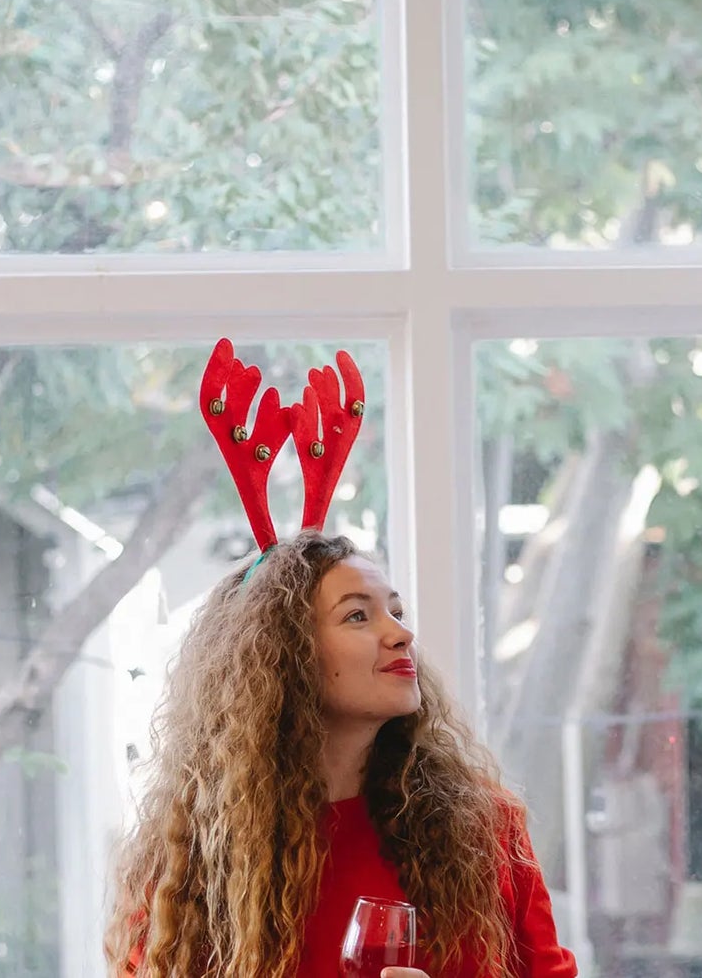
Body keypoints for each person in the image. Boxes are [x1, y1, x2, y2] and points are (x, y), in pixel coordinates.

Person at [104, 342, 578, 978]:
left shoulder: (488, 829)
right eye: (358, 615)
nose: (401, 635)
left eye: (396, 611)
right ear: (286, 660)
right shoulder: (187, 862)